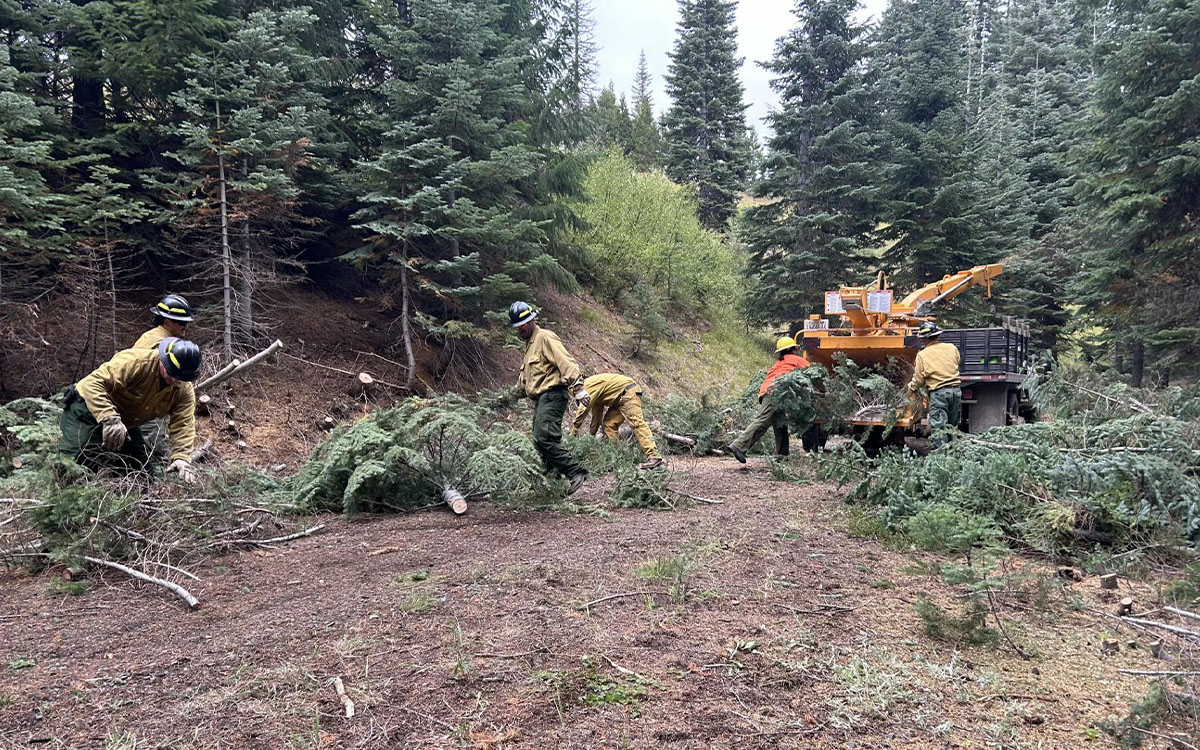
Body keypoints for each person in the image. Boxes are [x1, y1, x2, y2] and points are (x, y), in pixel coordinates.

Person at [59, 337, 202, 483]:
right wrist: (110, 418)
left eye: (180, 377)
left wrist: (181, 457)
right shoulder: (136, 362)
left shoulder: (183, 390)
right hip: (86, 407)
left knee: (142, 475)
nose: (174, 380)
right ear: (163, 359)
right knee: (72, 465)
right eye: (171, 373)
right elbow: (92, 383)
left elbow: (183, 424)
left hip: (126, 421)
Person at [511, 301, 588, 494]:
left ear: (531, 320)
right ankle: (552, 481)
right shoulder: (529, 346)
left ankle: (575, 471)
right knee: (539, 440)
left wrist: (578, 387)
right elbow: (526, 380)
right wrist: (507, 398)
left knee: (544, 437)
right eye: (517, 327)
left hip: (553, 395)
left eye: (523, 325)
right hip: (541, 399)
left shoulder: (545, 337)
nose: (520, 330)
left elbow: (566, 361)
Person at [726, 336, 811, 463]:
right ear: (793, 349)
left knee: (780, 422)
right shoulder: (798, 360)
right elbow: (812, 373)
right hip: (776, 391)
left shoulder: (778, 363)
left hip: (769, 391)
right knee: (763, 420)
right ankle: (738, 445)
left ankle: (782, 455)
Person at [572, 373, 664, 470]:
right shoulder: (593, 393)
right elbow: (596, 417)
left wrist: (573, 432)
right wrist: (591, 438)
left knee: (636, 423)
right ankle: (615, 457)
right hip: (620, 399)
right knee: (609, 424)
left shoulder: (588, 387)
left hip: (629, 393)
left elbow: (583, 411)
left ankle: (654, 456)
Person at [907, 321, 962, 445]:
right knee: (951, 428)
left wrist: (911, 387)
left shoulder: (922, 355)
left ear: (924, 339)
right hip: (956, 392)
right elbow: (957, 362)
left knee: (939, 430)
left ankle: (940, 458)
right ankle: (953, 455)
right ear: (937, 335)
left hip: (939, 394)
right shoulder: (952, 348)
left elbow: (919, 380)